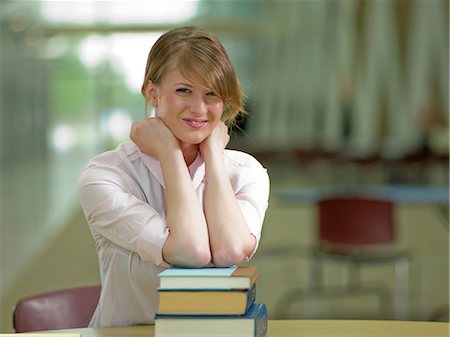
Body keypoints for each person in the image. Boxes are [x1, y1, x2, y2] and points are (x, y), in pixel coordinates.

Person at [78, 26, 270, 327]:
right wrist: (169, 153)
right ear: (152, 93)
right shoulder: (106, 176)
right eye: (184, 90)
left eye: (212, 94)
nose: (199, 108)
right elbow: (189, 251)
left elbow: (230, 250)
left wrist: (214, 157)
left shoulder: (245, 172)